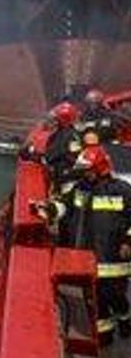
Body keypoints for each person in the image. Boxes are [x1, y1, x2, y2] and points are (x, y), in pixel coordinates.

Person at [39, 146, 131, 345]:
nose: (83, 174)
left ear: (99, 169)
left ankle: (124, 317)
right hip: (86, 258)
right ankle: (104, 335)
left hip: (114, 259)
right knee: (95, 299)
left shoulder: (122, 191)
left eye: (87, 170)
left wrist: (127, 241)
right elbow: (64, 205)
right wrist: (49, 209)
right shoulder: (80, 189)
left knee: (114, 295)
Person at [43, 102, 82, 191]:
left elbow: (49, 156)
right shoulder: (71, 134)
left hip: (65, 180)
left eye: (56, 120)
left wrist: (32, 154)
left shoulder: (65, 137)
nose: (54, 122)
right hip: (66, 176)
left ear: (63, 121)